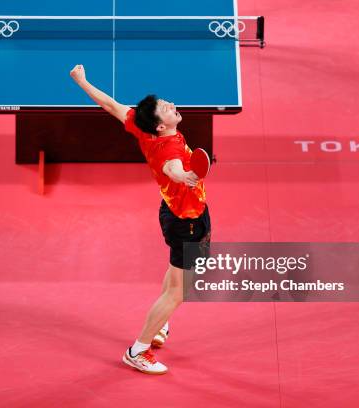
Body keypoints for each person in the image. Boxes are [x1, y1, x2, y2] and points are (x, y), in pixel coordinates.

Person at [70, 64, 211, 375]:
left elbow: (110, 105)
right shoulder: (169, 147)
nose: (171, 105)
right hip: (187, 220)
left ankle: (159, 325)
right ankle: (139, 350)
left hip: (172, 211)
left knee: (176, 276)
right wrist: (184, 175)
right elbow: (171, 167)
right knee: (179, 291)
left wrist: (82, 81)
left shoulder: (140, 124)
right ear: (160, 126)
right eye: (166, 109)